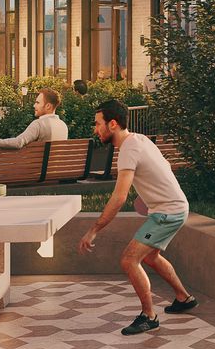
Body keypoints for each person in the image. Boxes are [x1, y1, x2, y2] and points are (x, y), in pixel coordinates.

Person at [79, 99, 197, 336]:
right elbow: (164, 166)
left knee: (129, 260)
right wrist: (150, 196)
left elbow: (119, 198)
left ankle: (149, 317)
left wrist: (93, 230)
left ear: (113, 124)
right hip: (172, 208)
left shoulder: (128, 150)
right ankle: (184, 298)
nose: (95, 129)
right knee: (151, 256)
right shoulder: (139, 140)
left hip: (168, 212)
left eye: (98, 123)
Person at [0, 88, 69, 149]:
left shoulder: (39, 124)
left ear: (48, 106)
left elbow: (18, 143)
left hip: (39, 165)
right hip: (57, 165)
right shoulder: (63, 125)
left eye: (37, 103)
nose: (34, 106)